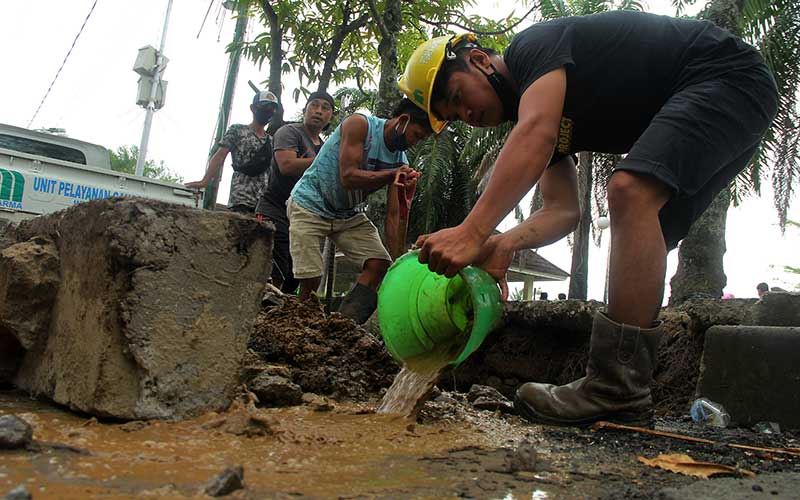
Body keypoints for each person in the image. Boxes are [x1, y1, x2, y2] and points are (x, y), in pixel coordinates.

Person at [400, 11, 778, 427]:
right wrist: (503, 242)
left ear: (478, 61)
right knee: (645, 231)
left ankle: (614, 388)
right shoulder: (545, 114)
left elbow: (537, 133)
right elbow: (563, 211)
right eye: (453, 116)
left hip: (727, 77)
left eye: (456, 97)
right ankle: (624, 392)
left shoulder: (531, 48)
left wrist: (472, 232)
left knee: (630, 191)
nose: (464, 114)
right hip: (733, 96)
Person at [288, 98, 433, 324]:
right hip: (310, 203)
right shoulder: (361, 125)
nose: (415, 142)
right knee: (311, 277)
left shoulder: (400, 161)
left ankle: (343, 327)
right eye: (416, 135)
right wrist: (391, 174)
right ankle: (297, 327)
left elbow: (394, 216)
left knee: (379, 264)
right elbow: (348, 176)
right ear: (403, 121)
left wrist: (399, 264)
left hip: (347, 213)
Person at [255, 92, 335, 293]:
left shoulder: (325, 148)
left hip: (304, 218)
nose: (318, 111)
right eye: (314, 105)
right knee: (273, 272)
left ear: (331, 116)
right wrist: (328, 163)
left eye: (325, 108)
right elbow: (287, 165)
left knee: (295, 276)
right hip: (275, 210)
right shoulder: (289, 132)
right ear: (305, 109)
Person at [186, 91, 279, 213]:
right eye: (265, 106)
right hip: (241, 198)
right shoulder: (237, 130)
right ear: (253, 108)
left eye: (272, 108)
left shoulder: (272, 141)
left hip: (263, 203)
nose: (269, 111)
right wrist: (205, 181)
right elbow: (220, 155)